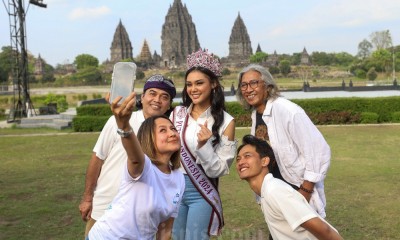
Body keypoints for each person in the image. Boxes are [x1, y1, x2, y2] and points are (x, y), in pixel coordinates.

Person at [78, 74, 176, 239]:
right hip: (105, 205)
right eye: (152, 93)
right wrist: (88, 197)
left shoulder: (168, 134)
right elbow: (97, 158)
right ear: (142, 97)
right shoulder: (117, 120)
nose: (157, 99)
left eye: (164, 97)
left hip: (140, 215)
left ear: (168, 105)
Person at [236, 64, 331, 218]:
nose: (248, 89)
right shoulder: (256, 115)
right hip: (274, 193)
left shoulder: (288, 111)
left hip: (296, 192)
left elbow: (319, 150)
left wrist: (305, 192)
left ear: (267, 86)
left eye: (254, 83)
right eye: (244, 85)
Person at [171, 49, 237, 239]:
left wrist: (204, 146)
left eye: (199, 83)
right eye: (189, 84)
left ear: (213, 84)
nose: (193, 89)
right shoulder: (177, 114)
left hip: (201, 191)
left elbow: (221, 169)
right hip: (174, 188)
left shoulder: (226, 122)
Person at [236, 135, 343, 240]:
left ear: (264, 161)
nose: (240, 162)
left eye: (247, 156)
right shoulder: (265, 192)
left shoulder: (274, 190)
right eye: (238, 159)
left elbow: (325, 230)